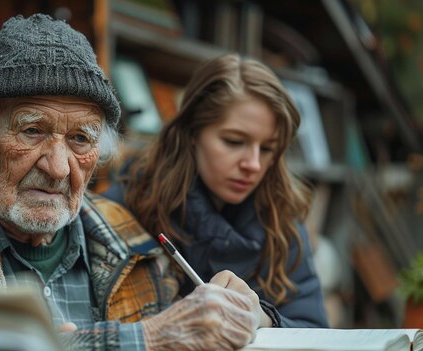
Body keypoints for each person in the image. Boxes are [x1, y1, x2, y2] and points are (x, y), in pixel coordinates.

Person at [0, 14, 276, 351]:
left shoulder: (130, 241)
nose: (59, 167)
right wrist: (146, 341)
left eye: (80, 139)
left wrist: (252, 314)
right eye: (31, 131)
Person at [104, 53, 329, 328]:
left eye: (268, 148)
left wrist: (266, 319)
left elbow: (314, 328)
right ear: (191, 134)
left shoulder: (282, 219)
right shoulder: (125, 207)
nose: (253, 164)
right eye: (234, 141)